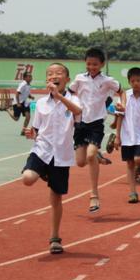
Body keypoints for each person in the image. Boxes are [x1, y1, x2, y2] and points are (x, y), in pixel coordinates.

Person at [21, 63, 82, 254]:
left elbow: (78, 112)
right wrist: (31, 133)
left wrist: (59, 96)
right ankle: (42, 172)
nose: (53, 76)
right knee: (28, 178)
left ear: (67, 79)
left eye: (58, 73)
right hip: (42, 149)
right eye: (49, 74)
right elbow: (37, 129)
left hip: (61, 155)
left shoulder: (73, 99)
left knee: (56, 197)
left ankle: (55, 238)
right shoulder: (40, 103)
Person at [68, 47, 125, 213]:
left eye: (95, 64)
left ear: (101, 64)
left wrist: (123, 104)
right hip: (80, 123)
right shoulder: (79, 79)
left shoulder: (107, 80)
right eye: (88, 64)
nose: (91, 67)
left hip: (96, 123)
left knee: (90, 155)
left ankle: (94, 194)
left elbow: (121, 91)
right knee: (80, 162)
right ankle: (97, 156)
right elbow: (70, 94)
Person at [113, 68, 140, 203]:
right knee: (130, 164)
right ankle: (133, 192)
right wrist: (117, 136)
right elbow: (119, 117)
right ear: (129, 82)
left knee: (137, 159)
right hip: (127, 136)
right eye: (133, 81)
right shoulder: (124, 98)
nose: (136, 83)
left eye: (139, 80)